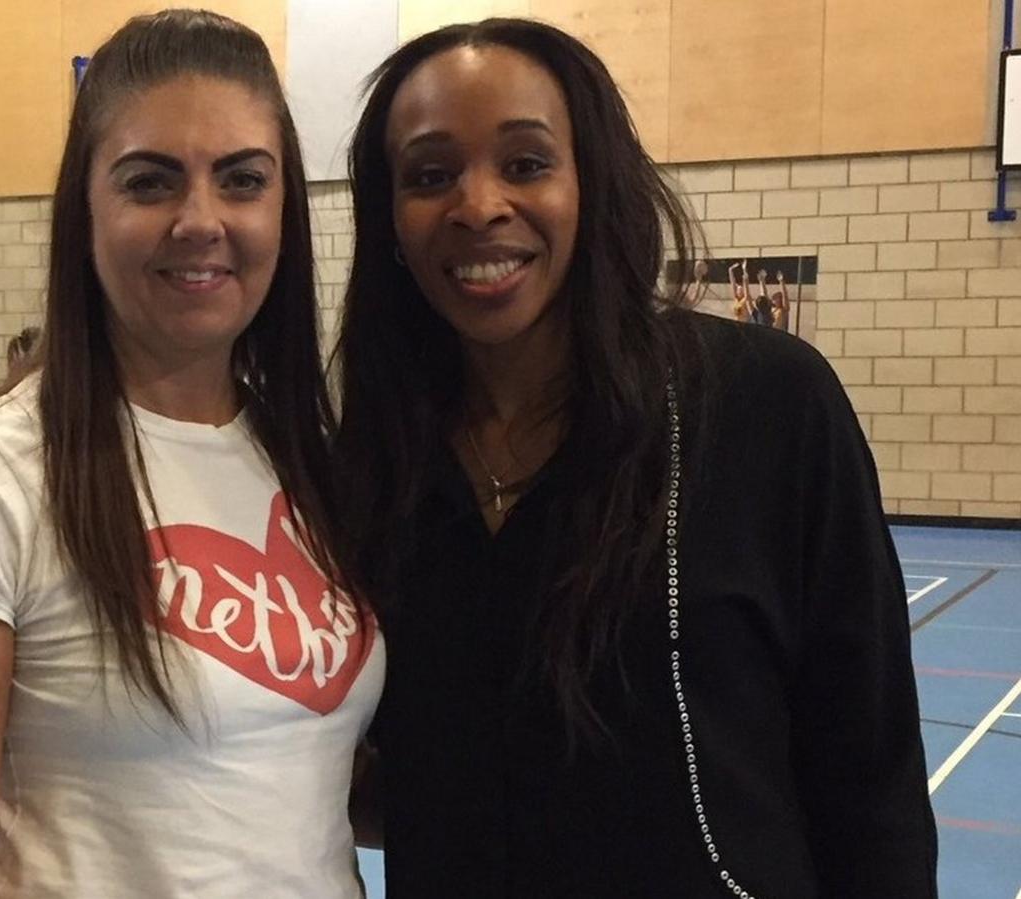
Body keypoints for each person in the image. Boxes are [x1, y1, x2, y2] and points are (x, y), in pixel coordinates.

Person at [332, 18, 935, 897]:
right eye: (430, 175)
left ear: (593, 183)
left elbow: (869, 771)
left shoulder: (765, 405)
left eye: (526, 163)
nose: (479, 204)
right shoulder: (371, 464)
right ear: (388, 218)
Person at [0, 10, 383, 897]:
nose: (201, 220)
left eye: (244, 180)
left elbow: (299, 787)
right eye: (150, 183)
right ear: (86, 210)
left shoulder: (313, 460)